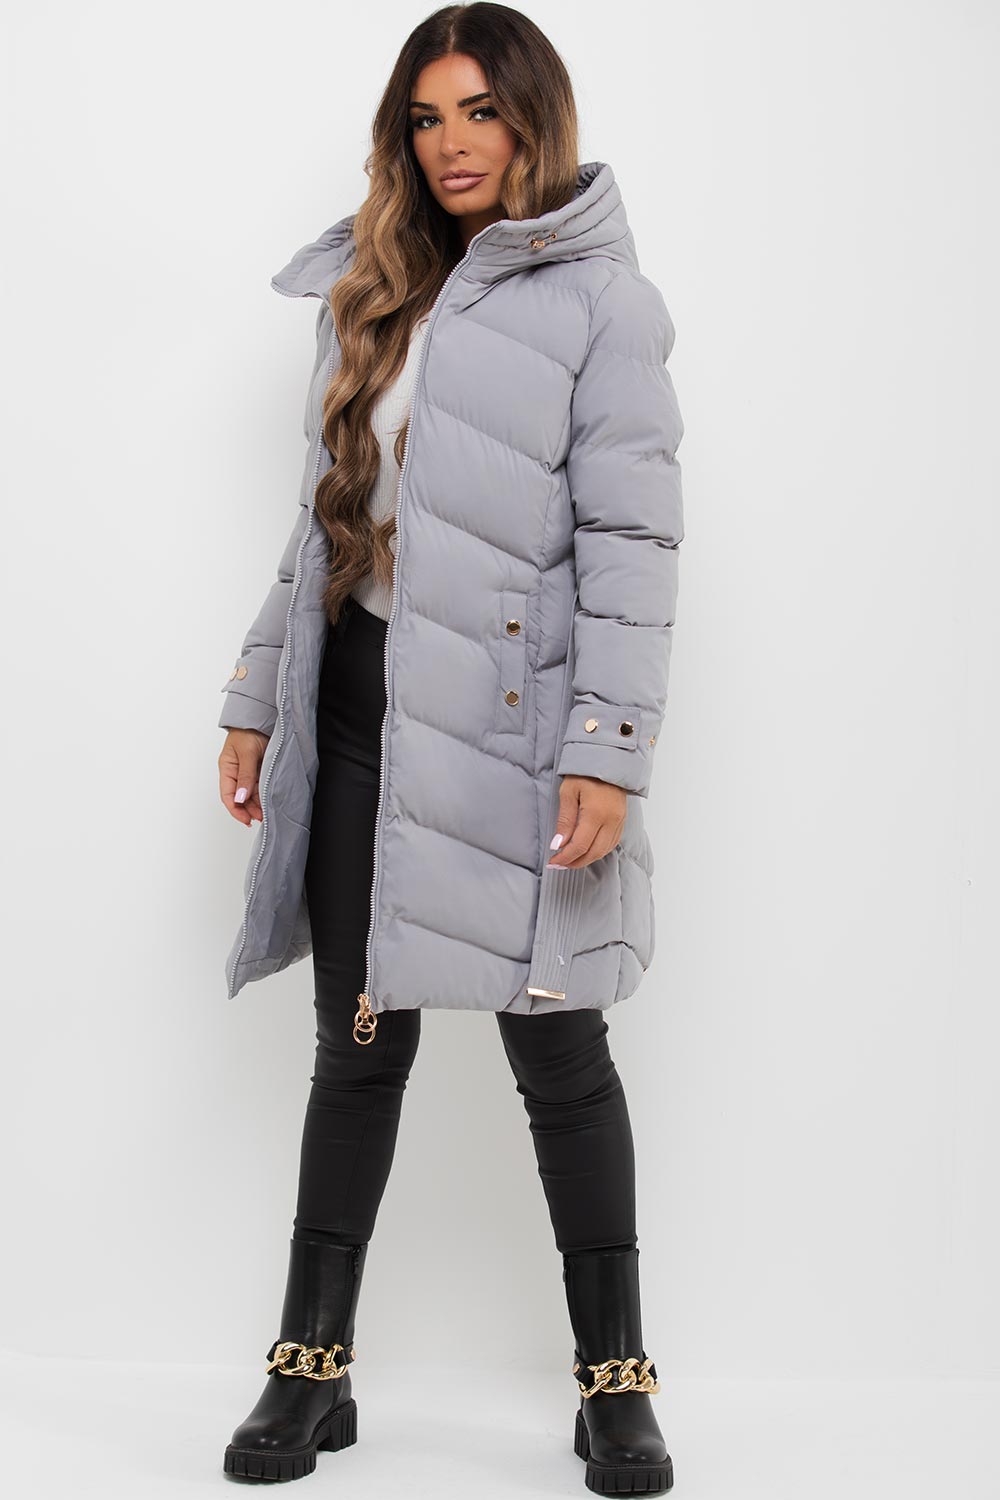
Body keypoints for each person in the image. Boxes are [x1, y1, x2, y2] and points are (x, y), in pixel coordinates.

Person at [216, 5, 683, 1491]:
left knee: (561, 1052)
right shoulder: (373, 290)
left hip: (521, 737)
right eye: (426, 118)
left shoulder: (605, 305)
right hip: (359, 710)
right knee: (356, 1045)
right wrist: (257, 693)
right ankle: (311, 1364)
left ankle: (615, 1381)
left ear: (534, 116)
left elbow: (634, 542)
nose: (453, 143)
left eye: (480, 110)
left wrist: (608, 747)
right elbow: (322, 526)